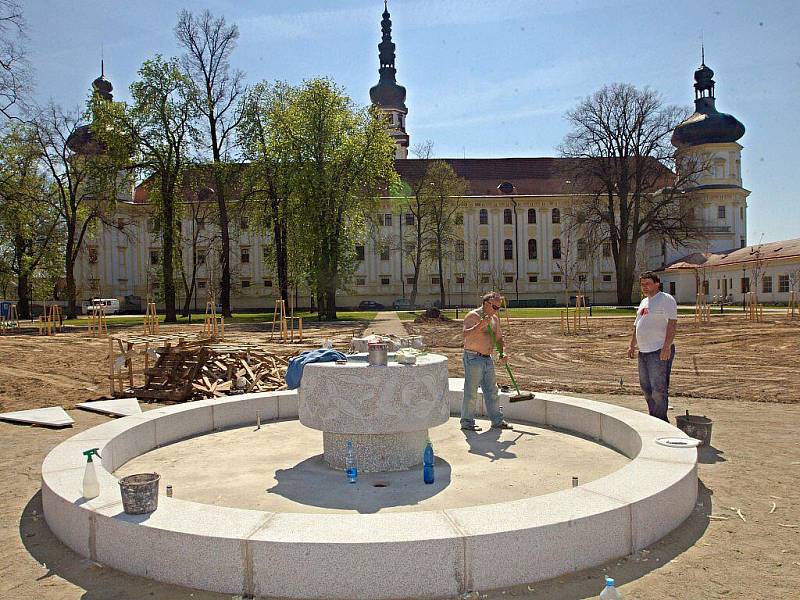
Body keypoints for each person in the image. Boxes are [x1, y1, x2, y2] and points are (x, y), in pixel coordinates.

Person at [627, 271, 678, 422]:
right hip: (643, 352)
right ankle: (654, 417)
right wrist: (631, 345)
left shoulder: (666, 300)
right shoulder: (644, 302)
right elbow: (637, 325)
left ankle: (661, 420)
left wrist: (666, 347)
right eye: (642, 284)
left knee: (658, 389)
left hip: (658, 351)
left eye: (648, 284)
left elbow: (672, 323)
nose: (645, 287)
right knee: (646, 388)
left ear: (657, 284)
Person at [461, 291, 512, 431]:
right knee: (471, 392)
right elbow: (465, 334)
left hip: (487, 358)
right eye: (494, 307)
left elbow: (499, 339)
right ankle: (467, 423)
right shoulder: (473, 316)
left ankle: (497, 421)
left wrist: (503, 352)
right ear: (485, 303)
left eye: (498, 308)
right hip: (473, 357)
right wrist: (481, 325)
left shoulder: (495, 319)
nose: (496, 310)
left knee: (492, 391)